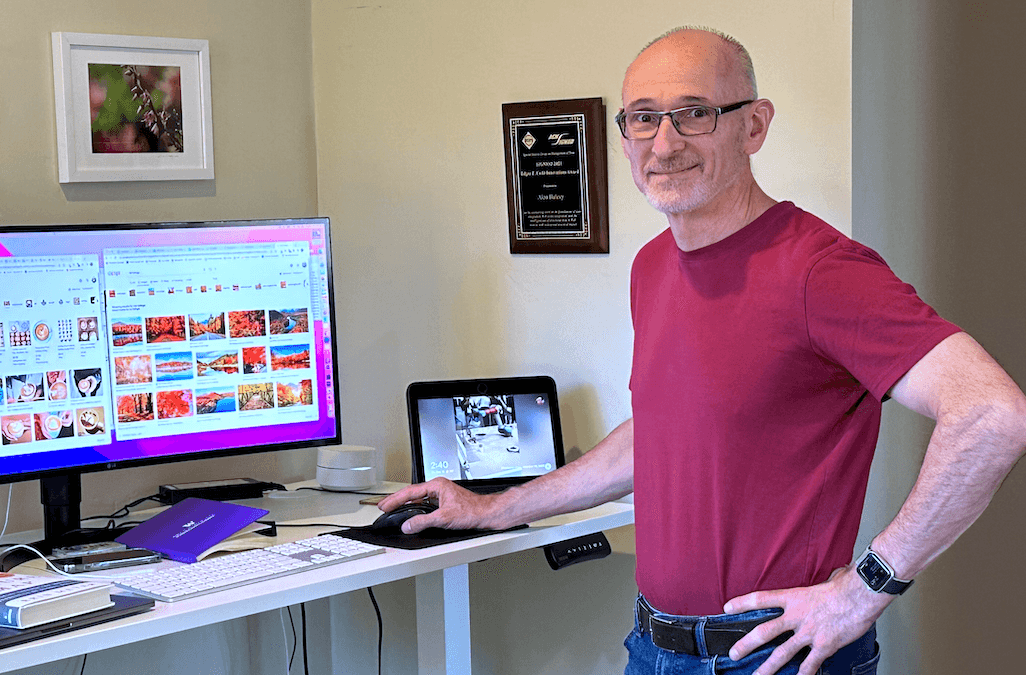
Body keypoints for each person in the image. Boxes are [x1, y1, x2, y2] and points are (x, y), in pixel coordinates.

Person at [380, 27, 1026, 675]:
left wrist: (864, 590)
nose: (664, 143)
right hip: (654, 645)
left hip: (771, 655)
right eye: (643, 118)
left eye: (694, 114)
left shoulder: (819, 270)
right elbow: (654, 436)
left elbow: (992, 415)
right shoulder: (654, 267)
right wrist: (489, 508)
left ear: (754, 126)